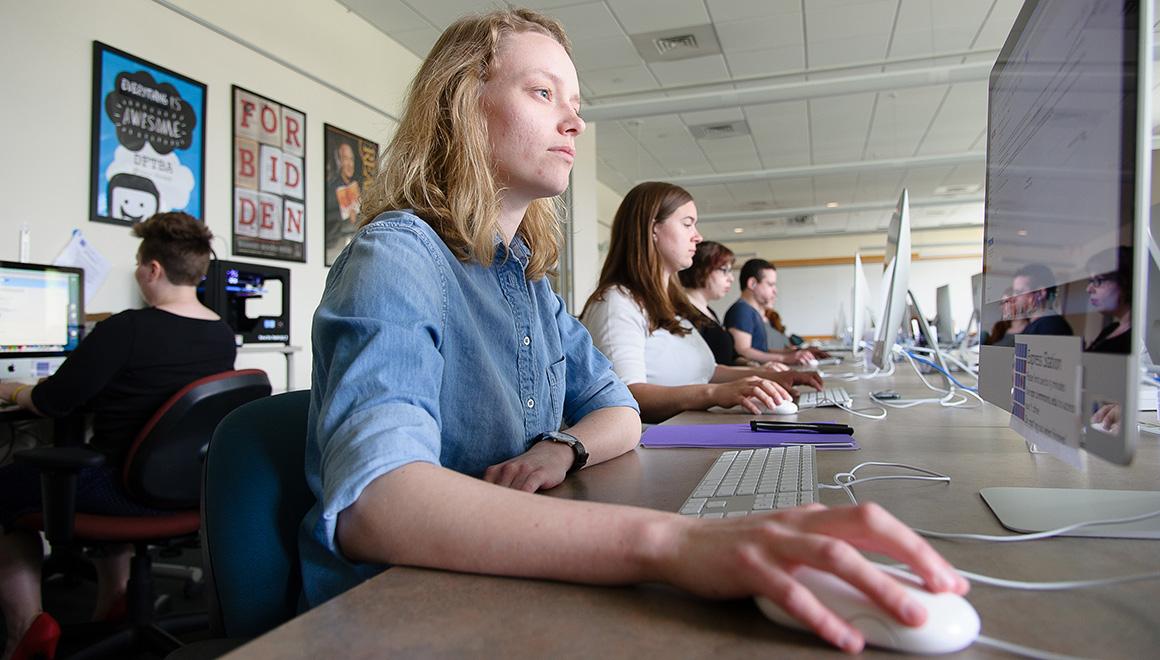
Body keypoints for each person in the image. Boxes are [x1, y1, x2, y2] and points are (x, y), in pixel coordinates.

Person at [302, 8, 967, 656]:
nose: (575, 119)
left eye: (576, 100)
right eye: (542, 92)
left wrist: (561, 448)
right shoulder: (398, 258)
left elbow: (618, 407)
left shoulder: (528, 284)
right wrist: (672, 544)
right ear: (463, 106)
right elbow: (378, 502)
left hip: (502, 583)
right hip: (399, 609)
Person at [0, 212, 236, 660]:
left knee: (6, 488)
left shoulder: (127, 329)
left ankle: (25, 626)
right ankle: (116, 600)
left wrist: (12, 389)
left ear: (152, 269)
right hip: (188, 492)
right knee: (116, 460)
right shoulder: (222, 336)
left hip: (120, 490)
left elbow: (53, 401)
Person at [581, 183, 820, 422]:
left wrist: (763, 376)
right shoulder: (618, 303)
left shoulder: (669, 304)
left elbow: (707, 371)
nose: (698, 236)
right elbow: (627, 395)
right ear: (652, 229)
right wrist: (714, 393)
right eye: (687, 224)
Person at [724, 259, 823, 365]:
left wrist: (795, 352)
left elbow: (762, 351)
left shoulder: (752, 312)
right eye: (770, 285)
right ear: (752, 283)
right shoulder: (742, 311)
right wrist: (784, 358)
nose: (775, 291)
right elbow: (744, 351)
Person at [1085, 246, 1131, 354]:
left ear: (1123, 282)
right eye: (1090, 281)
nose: (1088, 289)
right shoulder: (1110, 329)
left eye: (1098, 281)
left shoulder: (1139, 340)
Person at [1009, 264, 1072, 336]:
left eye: (1019, 292)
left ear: (1041, 292)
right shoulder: (1035, 324)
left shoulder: (1050, 326)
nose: (1013, 297)